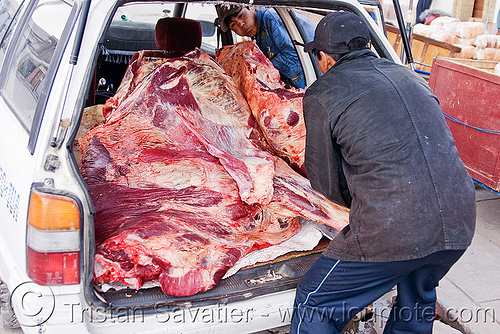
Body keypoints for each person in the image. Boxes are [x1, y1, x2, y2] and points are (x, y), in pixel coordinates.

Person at [290, 11, 476, 334]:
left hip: (393, 227)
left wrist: (367, 198)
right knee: (416, 302)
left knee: (314, 302)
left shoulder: (323, 93)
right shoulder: (410, 76)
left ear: (325, 59)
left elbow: (325, 183)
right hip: (460, 221)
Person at [216, 4, 315, 89]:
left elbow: (296, 56)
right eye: (233, 25)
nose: (241, 24)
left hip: (314, 79)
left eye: (241, 15)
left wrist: (261, 67)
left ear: (251, 8)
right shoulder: (259, 35)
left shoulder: (270, 19)